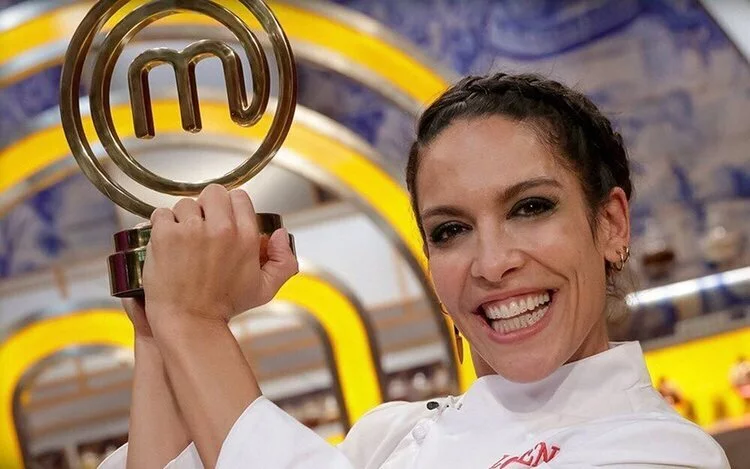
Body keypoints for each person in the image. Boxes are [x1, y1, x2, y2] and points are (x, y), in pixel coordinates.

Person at [99, 73, 729, 469]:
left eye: (531, 207)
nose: (492, 263)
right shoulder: (390, 438)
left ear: (611, 224)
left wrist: (194, 323)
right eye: (451, 231)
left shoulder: (662, 453)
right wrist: (160, 319)